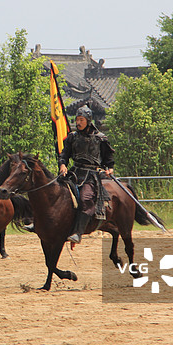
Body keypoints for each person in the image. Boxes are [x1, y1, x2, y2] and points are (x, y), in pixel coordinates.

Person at [58, 105, 115, 245]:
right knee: (54, 192)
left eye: (81, 120)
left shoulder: (100, 139)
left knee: (85, 199)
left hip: (91, 175)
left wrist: (110, 169)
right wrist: (63, 165)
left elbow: (109, 160)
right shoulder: (72, 137)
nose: (78, 123)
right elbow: (64, 155)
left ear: (88, 120)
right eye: (77, 119)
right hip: (73, 172)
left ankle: (78, 233)